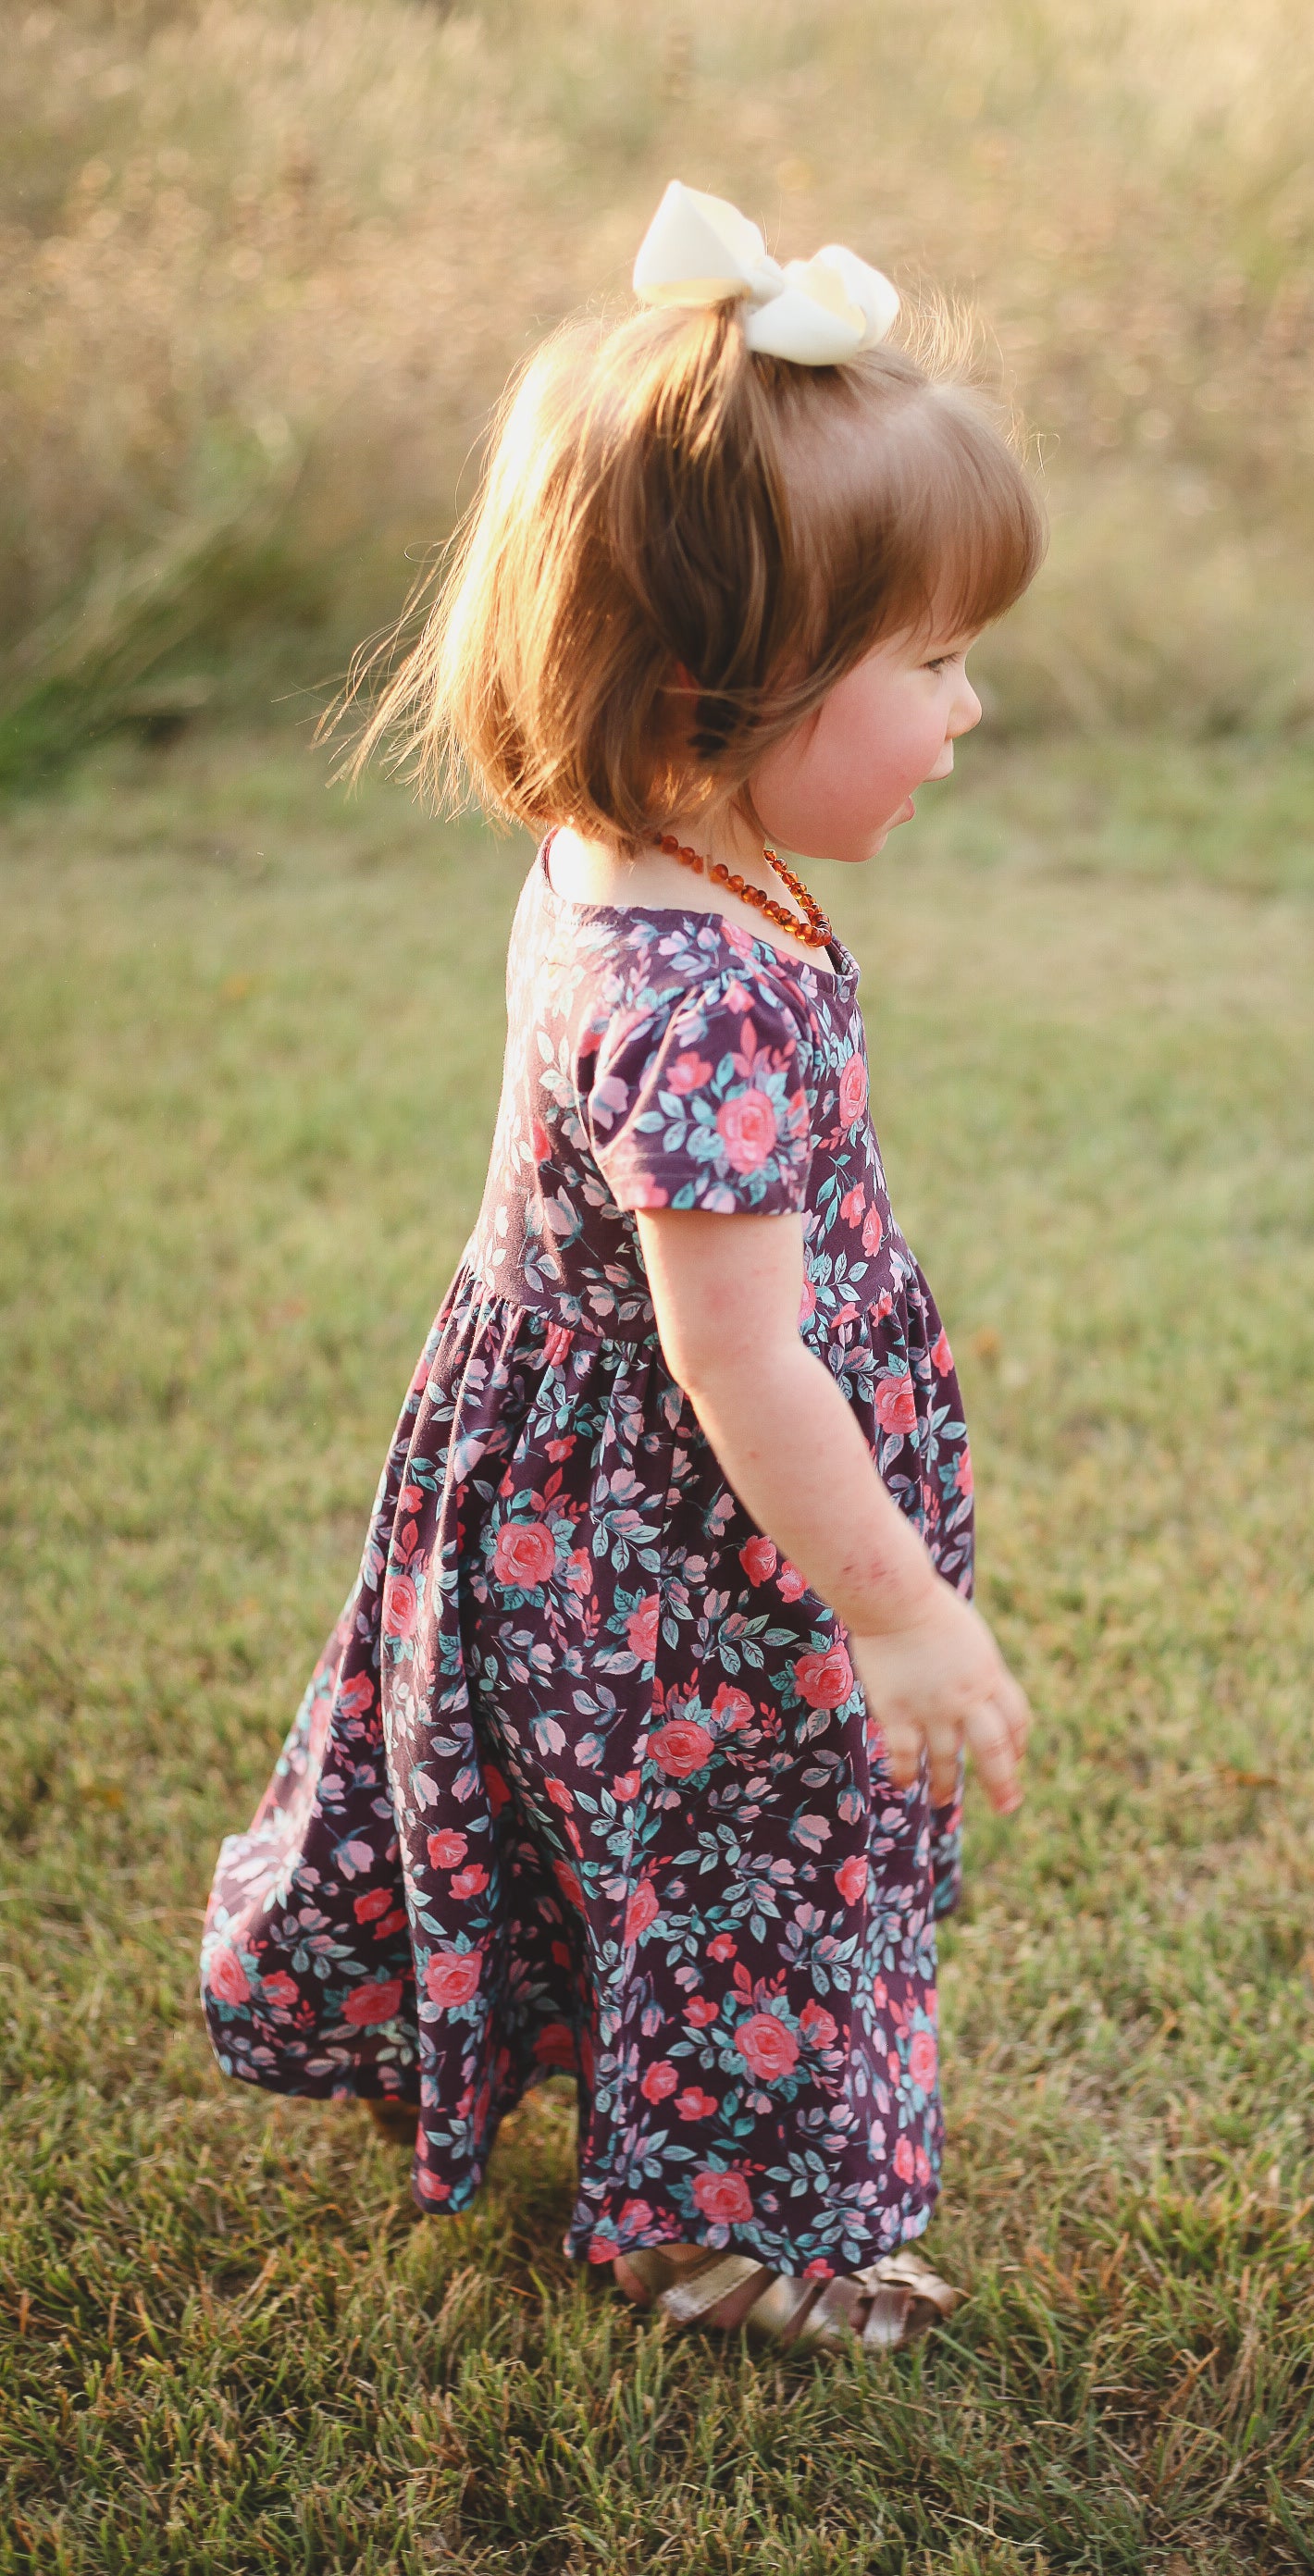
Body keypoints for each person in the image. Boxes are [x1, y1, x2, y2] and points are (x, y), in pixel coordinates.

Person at [200, 181, 1043, 2353]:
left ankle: (657, 2154)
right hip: (690, 1537)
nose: (967, 714)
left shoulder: (634, 850)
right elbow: (740, 1358)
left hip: (578, 1494)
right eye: (931, 662)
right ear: (722, 681)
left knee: (629, 1839)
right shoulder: (707, 989)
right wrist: (901, 1613)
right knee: (743, 1872)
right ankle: (717, 2233)